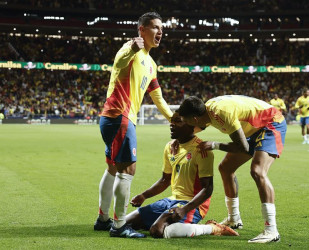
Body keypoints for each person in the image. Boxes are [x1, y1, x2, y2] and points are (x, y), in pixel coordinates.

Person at [94, 12, 173, 238]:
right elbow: (118, 63)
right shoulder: (129, 49)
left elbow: (158, 97)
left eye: (162, 29)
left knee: (112, 167)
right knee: (128, 169)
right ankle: (118, 226)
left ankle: (103, 219)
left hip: (116, 118)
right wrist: (132, 48)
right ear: (142, 30)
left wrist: (173, 119)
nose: (160, 32)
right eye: (155, 28)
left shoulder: (151, 64)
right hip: (120, 116)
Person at [178, 95, 287, 244]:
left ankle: (271, 230)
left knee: (257, 171)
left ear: (195, 119)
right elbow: (194, 130)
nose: (186, 125)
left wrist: (215, 145)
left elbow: (243, 147)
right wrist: (178, 141)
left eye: (187, 121)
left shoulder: (222, 113)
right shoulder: (207, 111)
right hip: (251, 129)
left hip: (270, 123)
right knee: (225, 168)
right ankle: (234, 218)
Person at [124, 112, 239, 238]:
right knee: (124, 223)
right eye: (171, 121)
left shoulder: (201, 149)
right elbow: (165, 179)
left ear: (191, 125)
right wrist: (144, 196)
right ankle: (164, 222)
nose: (171, 124)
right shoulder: (169, 147)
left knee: (157, 231)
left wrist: (185, 209)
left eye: (177, 121)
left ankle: (212, 228)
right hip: (171, 200)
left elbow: (207, 189)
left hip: (193, 204)